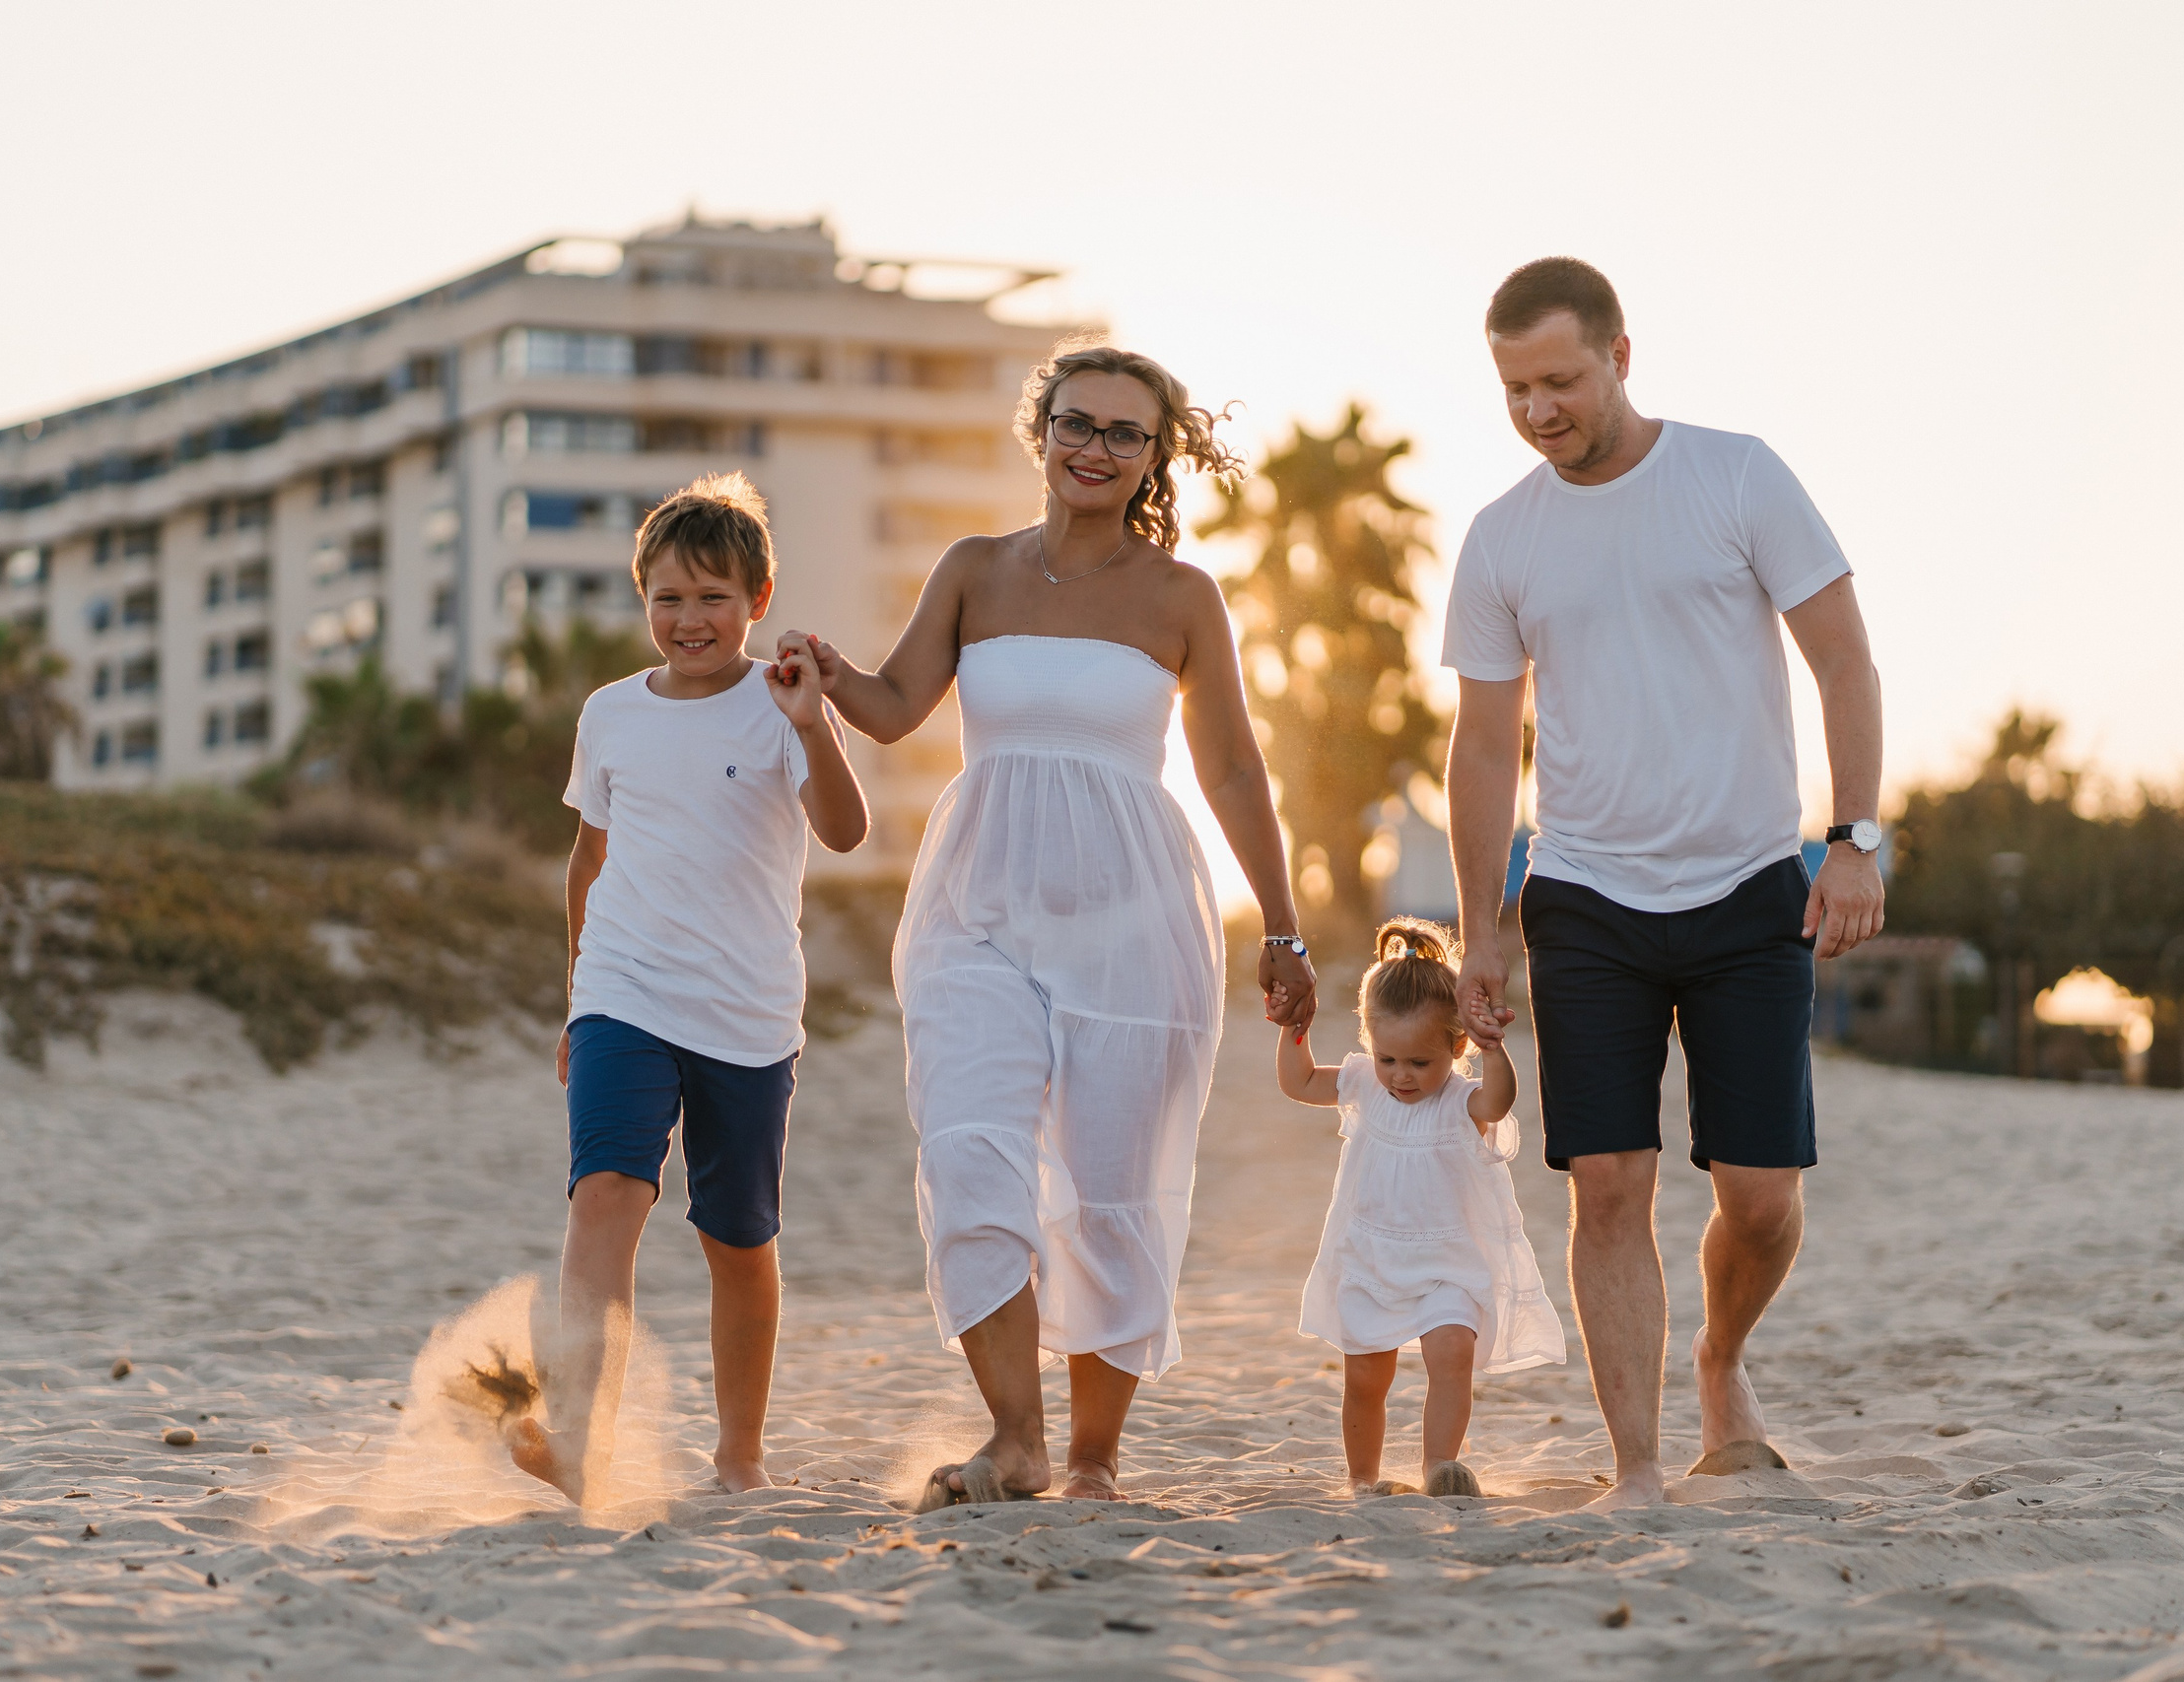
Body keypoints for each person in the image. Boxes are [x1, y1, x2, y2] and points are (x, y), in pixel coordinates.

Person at [788, 342, 1317, 1508]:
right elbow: (893, 705)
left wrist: (1281, 928)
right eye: (1076, 422)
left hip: (1134, 919)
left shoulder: (1182, 596)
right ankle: (1015, 1437)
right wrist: (828, 678)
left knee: (1111, 1189)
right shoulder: (974, 569)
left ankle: (1091, 1461)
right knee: (967, 1148)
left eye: (1125, 433)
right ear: (1041, 432)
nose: (1095, 448)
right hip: (975, 904)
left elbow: (1233, 769)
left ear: (1154, 457)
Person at [1443, 258, 1885, 1511]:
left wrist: (1853, 839)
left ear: (1620, 356)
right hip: (1585, 895)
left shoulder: (1735, 476)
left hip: (1748, 886)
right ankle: (1635, 1467)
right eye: (1514, 389)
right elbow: (1482, 746)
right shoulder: (1501, 537)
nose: (1538, 409)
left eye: (1559, 380)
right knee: (1607, 1183)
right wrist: (1483, 930)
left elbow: (1843, 660)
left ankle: (1720, 1356)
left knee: (1760, 1199)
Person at [507, 473, 868, 1507]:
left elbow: (846, 832)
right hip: (622, 991)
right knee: (603, 1196)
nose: (689, 618)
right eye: (668, 597)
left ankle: (739, 1454)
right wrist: (577, 998)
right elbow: (587, 860)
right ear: (644, 601)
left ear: (758, 599)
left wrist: (813, 724)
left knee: (737, 1241)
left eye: (713, 597)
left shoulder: (783, 705)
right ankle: (579, 1439)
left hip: (747, 1013)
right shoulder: (610, 713)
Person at [1274, 917, 1564, 1499]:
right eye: (1388, 1059)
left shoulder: (1462, 1101)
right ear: (1369, 1042)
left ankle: (1440, 1466)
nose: (1401, 1076)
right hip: (1372, 1256)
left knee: (1452, 1351)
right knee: (1365, 1375)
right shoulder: (1363, 1082)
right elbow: (1298, 1083)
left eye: (1419, 1063)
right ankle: (1362, 1478)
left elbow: (1499, 1100)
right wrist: (1293, 1031)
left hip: (1447, 1262)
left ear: (1457, 1047)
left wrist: (1494, 1048)